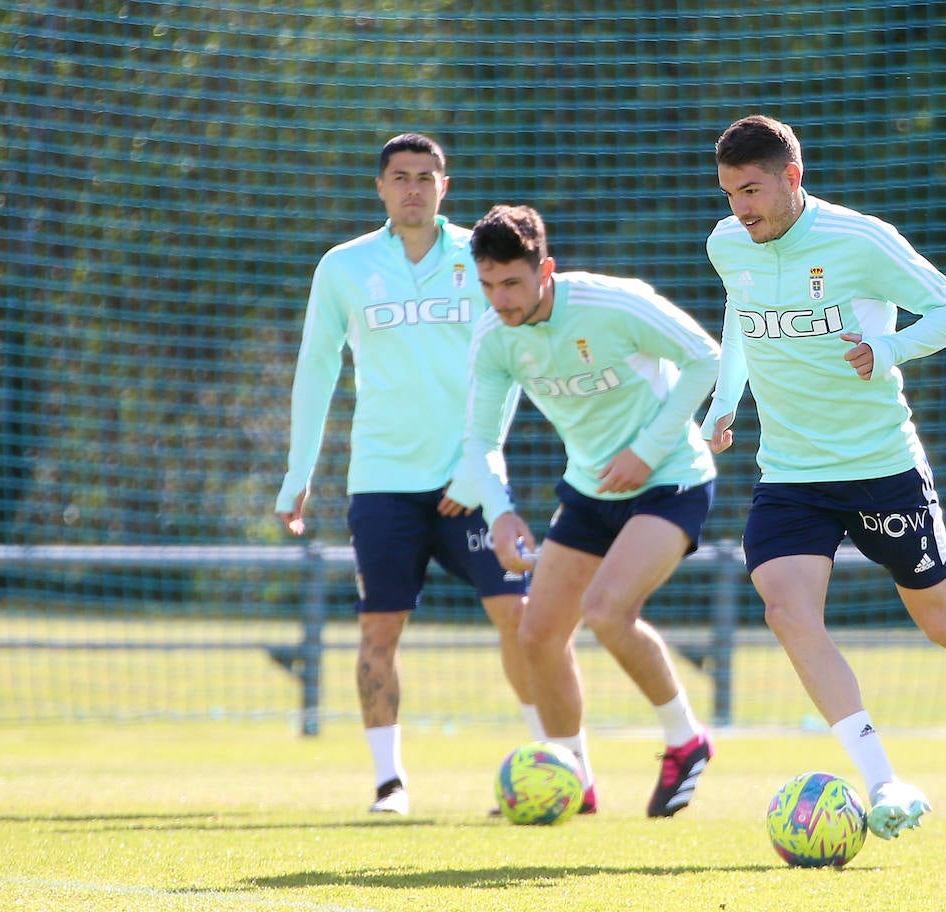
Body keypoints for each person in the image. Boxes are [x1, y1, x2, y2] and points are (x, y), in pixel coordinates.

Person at [701, 114, 946, 839]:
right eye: (730, 193)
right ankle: (883, 780)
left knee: (944, 624)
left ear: (791, 178)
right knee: (785, 609)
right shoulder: (727, 243)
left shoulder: (859, 240)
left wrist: (887, 346)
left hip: (881, 466)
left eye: (751, 191)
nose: (741, 209)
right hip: (792, 473)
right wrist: (723, 401)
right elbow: (741, 316)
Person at [274, 133, 544, 816]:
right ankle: (389, 784)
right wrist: (297, 472)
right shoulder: (344, 266)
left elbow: (510, 359)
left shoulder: (480, 258)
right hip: (383, 480)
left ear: (445, 186)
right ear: (381, 187)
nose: (414, 188)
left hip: (472, 482)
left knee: (523, 619)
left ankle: (556, 763)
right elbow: (316, 366)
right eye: (401, 177)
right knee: (378, 632)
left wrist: (473, 465)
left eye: (428, 176)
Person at [450, 204, 720, 818]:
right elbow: (481, 442)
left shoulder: (613, 304)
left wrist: (647, 452)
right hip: (590, 492)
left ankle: (686, 740)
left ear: (545, 269)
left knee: (606, 611)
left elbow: (706, 357)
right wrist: (500, 513)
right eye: (488, 285)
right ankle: (571, 779)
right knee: (538, 636)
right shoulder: (495, 338)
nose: (501, 299)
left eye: (513, 283)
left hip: (670, 479)